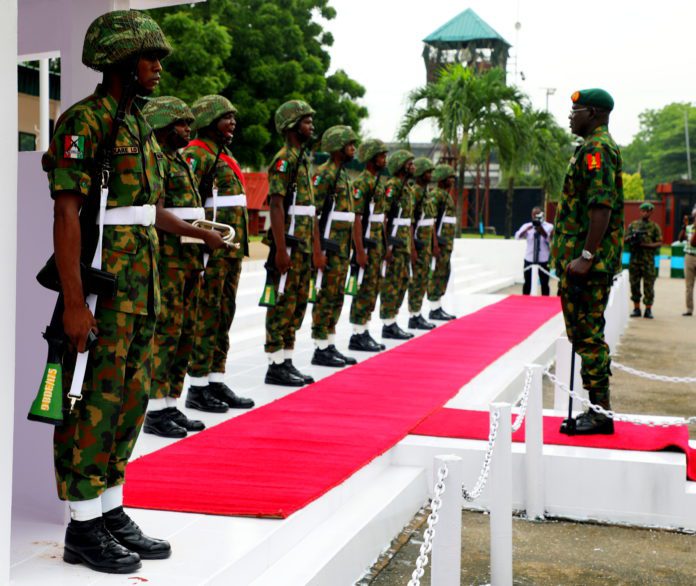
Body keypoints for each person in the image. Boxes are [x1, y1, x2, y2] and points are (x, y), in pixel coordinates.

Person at [42, 9, 173, 573]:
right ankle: (82, 525)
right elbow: (67, 214)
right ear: (121, 61)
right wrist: (73, 303)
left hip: (141, 291)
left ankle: (109, 508)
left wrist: (195, 230)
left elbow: (143, 211)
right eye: (149, 58)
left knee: (129, 402)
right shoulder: (84, 121)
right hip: (100, 291)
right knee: (90, 403)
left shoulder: (139, 125)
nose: (156, 69)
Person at [141, 96, 227, 438]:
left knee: (184, 334)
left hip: (189, 260)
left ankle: (170, 403)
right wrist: (201, 234)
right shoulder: (157, 160)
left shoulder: (180, 160)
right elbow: (159, 214)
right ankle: (155, 410)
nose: (188, 130)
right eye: (181, 124)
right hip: (169, 261)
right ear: (162, 125)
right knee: (165, 334)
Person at [551, 88, 624, 435]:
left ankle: (600, 413)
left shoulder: (597, 149)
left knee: (588, 335)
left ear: (593, 113)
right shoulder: (590, 148)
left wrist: (586, 256)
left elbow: (601, 206)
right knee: (584, 334)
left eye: (577, 110)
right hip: (583, 263)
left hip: (588, 265)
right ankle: (598, 409)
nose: (571, 115)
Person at [183, 95, 254, 412]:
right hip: (210, 251)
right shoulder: (196, 154)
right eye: (227, 117)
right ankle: (197, 387)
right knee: (206, 315)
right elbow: (187, 204)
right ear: (210, 120)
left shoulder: (222, 154)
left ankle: (214, 377)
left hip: (229, 251)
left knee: (224, 313)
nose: (233, 122)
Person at [263, 100, 323, 385]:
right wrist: (279, 250)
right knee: (282, 303)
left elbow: (308, 211)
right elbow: (276, 206)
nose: (311, 126)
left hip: (303, 246)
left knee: (297, 303)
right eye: (306, 121)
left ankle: (287, 360)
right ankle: (275, 364)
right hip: (289, 245)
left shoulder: (302, 159)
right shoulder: (284, 159)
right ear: (292, 125)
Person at [311, 126, 359, 367]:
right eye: (349, 144)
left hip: (342, 248)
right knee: (326, 295)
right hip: (329, 247)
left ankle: (329, 344)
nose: (353, 148)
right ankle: (320, 347)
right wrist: (317, 251)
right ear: (338, 147)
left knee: (337, 296)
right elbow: (313, 215)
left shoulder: (343, 176)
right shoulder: (324, 174)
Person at [348, 139, 389, 352]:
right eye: (381, 155)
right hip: (367, 246)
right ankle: (357, 334)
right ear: (372, 158)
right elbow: (357, 218)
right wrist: (359, 251)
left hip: (377, 246)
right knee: (363, 289)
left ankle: (364, 330)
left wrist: (385, 246)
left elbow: (380, 219)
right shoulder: (362, 183)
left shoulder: (377, 182)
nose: (385, 159)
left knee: (373, 288)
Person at [380, 150, 416, 340]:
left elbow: (408, 221)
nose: (413, 166)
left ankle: (393, 320)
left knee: (402, 282)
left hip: (404, 244)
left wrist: (411, 247)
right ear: (402, 165)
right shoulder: (392, 186)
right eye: (410, 163)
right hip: (393, 243)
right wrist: (386, 246)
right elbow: (385, 217)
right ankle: (387, 323)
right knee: (391, 284)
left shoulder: (408, 188)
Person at [407, 157, 437, 330]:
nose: (430, 175)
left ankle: (418, 313)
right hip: (418, 244)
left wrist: (433, 244)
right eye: (427, 172)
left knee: (423, 279)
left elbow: (429, 221)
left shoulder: (425, 192)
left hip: (425, 244)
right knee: (417, 280)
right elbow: (411, 221)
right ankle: (413, 315)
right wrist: (412, 246)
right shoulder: (416, 192)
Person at [427, 164, 457, 321]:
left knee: (444, 273)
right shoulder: (436, 195)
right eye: (450, 177)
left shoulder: (447, 195)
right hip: (440, 243)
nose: (452, 180)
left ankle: (438, 306)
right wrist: (434, 244)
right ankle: (433, 308)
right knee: (437, 274)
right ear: (443, 179)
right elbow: (432, 221)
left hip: (447, 244)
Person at [626, 202, 662, 319]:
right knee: (634, 285)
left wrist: (646, 245)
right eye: (643, 211)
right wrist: (632, 239)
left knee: (649, 286)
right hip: (635, 261)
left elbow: (659, 242)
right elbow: (625, 240)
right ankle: (636, 308)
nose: (645, 213)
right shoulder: (633, 225)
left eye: (648, 211)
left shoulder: (654, 227)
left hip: (648, 261)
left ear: (651, 212)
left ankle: (648, 310)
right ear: (640, 211)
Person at [514, 206, 554, 296]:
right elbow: (517, 237)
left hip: (544, 260)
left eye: (538, 214)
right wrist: (526, 230)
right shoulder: (527, 226)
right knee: (527, 282)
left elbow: (551, 241)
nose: (535, 216)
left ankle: (545, 301)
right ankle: (525, 300)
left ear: (542, 215)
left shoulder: (549, 227)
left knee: (544, 283)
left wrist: (542, 231)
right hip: (529, 258)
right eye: (534, 214)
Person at [678, 206, 696, 316]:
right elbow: (680, 239)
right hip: (689, 256)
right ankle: (689, 309)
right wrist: (684, 226)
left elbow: (694, 242)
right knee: (689, 285)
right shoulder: (689, 228)